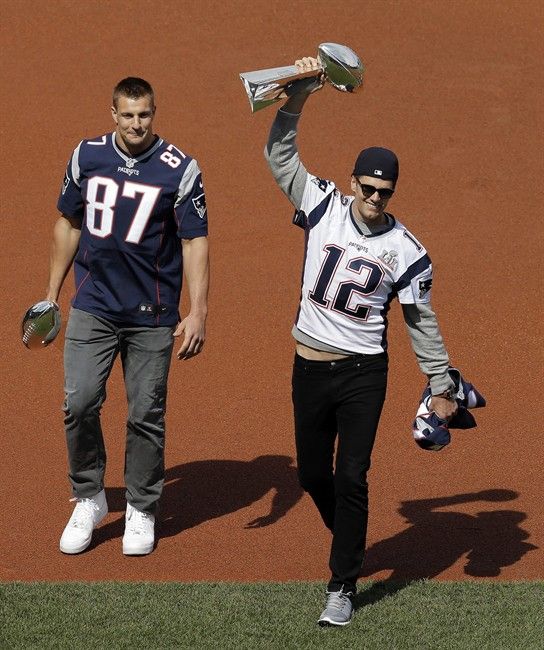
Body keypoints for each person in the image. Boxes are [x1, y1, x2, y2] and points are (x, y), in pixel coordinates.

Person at [264, 57, 458, 626]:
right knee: (311, 477)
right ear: (353, 183)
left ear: (393, 191)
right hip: (308, 366)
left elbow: (420, 320)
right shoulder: (321, 204)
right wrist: (297, 99)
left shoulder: (405, 248)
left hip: (363, 373)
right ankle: (351, 534)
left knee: (351, 475)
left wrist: (441, 379)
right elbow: (279, 157)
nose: (376, 197)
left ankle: (341, 584)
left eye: (385, 191)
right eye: (368, 187)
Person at [46, 77, 209, 556]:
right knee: (79, 404)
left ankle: (140, 506)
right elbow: (68, 222)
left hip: (152, 315)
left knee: (145, 413)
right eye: (128, 115)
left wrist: (197, 310)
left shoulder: (179, 169)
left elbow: (195, 239)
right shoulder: (86, 156)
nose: (137, 124)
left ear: (153, 113)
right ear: (113, 114)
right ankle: (90, 496)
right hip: (93, 304)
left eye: (145, 115)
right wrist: (51, 295)